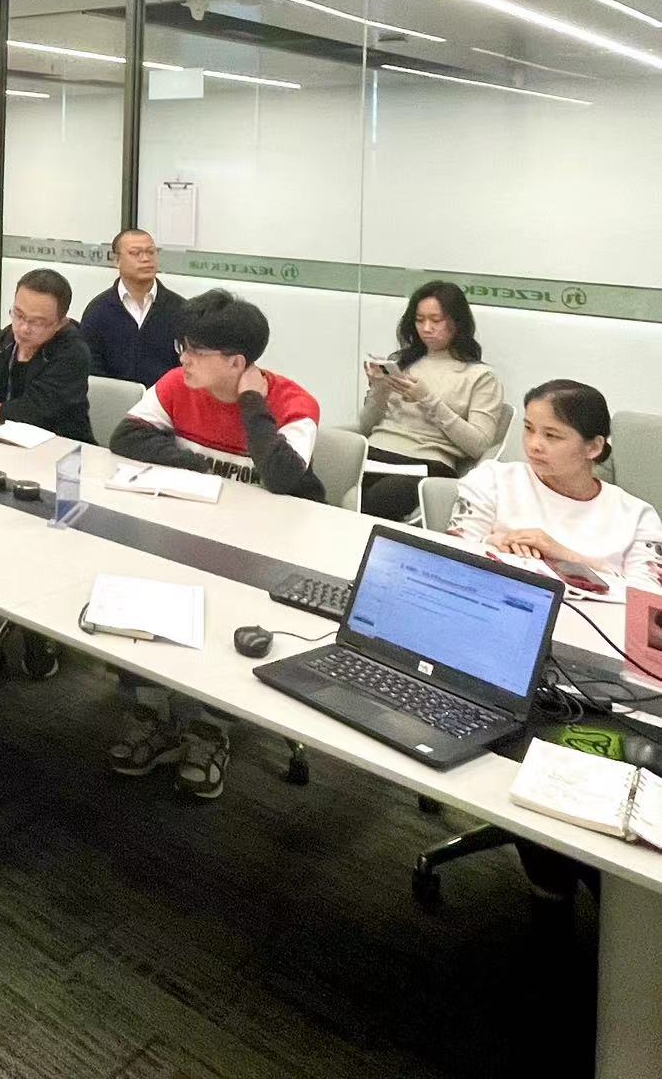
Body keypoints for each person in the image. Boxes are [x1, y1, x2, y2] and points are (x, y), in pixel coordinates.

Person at [107, 289, 325, 799]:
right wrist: (199, 466)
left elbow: (284, 477)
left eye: (196, 350)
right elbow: (126, 436)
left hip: (265, 548)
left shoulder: (293, 404)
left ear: (236, 362)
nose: (183, 358)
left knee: (235, 618)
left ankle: (211, 730)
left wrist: (251, 403)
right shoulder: (177, 384)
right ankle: (151, 712)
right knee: (138, 581)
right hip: (191, 529)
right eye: (182, 345)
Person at [449, 379, 661, 588]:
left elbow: (647, 601)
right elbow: (450, 562)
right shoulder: (492, 480)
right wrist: (490, 544)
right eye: (529, 428)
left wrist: (566, 556)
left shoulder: (637, 517)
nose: (534, 445)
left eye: (551, 435)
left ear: (593, 447)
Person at [356, 281, 506, 521]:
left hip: (427, 463)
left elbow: (478, 445)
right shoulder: (402, 362)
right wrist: (379, 388)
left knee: (380, 497)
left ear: (457, 322)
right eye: (419, 320)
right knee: (318, 473)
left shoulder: (480, 377)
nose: (426, 328)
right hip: (374, 452)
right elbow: (365, 427)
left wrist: (428, 400)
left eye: (436, 320)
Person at [0, 268, 94, 444]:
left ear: (60, 323)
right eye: (19, 315)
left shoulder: (73, 353)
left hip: (62, 447)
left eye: (37, 322)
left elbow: (34, 413)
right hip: (1, 446)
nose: (24, 328)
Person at [79, 227, 185, 387]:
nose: (146, 259)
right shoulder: (98, 311)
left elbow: (188, 365)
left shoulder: (180, 309)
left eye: (151, 252)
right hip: (115, 398)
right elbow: (91, 369)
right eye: (136, 253)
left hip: (166, 398)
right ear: (117, 260)